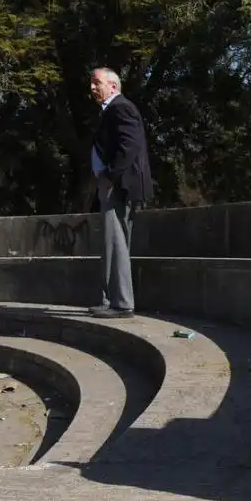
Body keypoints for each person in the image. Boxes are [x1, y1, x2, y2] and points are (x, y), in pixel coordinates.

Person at [88, 67, 153, 318]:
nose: (93, 88)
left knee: (116, 241)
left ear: (113, 86)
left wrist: (111, 176)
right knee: (110, 242)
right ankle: (109, 299)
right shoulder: (112, 110)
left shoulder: (121, 107)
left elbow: (130, 144)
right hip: (112, 184)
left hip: (119, 185)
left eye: (97, 83)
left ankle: (123, 303)